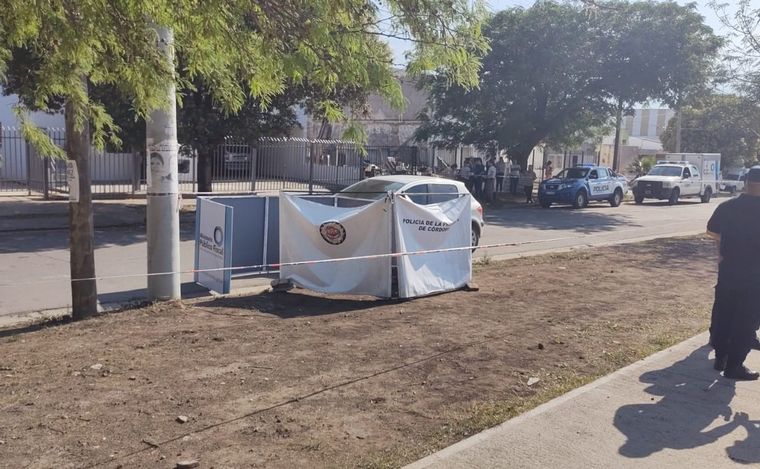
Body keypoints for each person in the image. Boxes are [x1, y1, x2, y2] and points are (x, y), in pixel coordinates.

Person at [707, 166, 760, 380]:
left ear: (746, 183)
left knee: (725, 315)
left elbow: (713, 231)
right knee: (746, 321)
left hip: (728, 270)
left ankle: (720, 358)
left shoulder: (727, 206)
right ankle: (734, 366)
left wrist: (719, 253)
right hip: (755, 275)